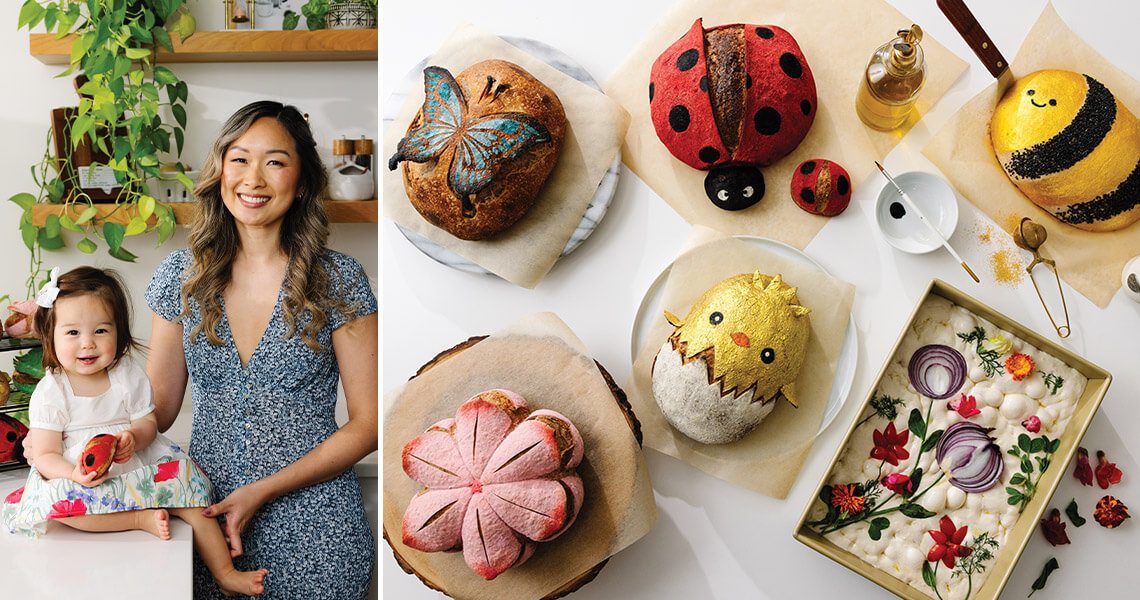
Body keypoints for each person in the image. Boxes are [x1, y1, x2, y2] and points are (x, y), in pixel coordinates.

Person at [145, 100, 378, 598]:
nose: (253, 178)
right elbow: (156, 410)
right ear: (220, 169)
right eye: (239, 158)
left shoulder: (337, 279)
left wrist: (262, 491)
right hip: (208, 526)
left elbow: (370, 423)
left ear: (302, 180)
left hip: (319, 531)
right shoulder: (180, 278)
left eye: (274, 161)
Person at [1, 266, 267, 597]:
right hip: (84, 476)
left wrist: (134, 437)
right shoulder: (53, 390)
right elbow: (44, 454)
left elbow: (147, 423)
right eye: (72, 333)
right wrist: (73, 474)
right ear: (50, 337)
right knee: (68, 510)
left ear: (119, 332)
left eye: (100, 331)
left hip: (137, 465)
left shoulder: (126, 374)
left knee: (194, 501)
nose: (88, 344)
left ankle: (225, 573)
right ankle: (138, 519)